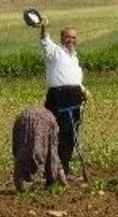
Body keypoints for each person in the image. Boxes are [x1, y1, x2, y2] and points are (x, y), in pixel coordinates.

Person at [38, 16, 89, 178]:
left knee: (72, 133)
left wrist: (83, 90)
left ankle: (64, 168)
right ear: (62, 38)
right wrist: (44, 27)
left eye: (73, 37)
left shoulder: (74, 57)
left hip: (75, 96)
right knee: (58, 131)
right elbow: (44, 40)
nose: (71, 40)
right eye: (68, 37)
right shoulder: (54, 51)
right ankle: (54, 168)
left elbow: (74, 77)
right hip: (59, 95)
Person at [12, 107, 66, 191]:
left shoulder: (48, 117)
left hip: (24, 119)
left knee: (25, 149)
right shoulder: (51, 120)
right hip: (39, 121)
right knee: (40, 151)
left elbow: (16, 146)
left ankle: (22, 179)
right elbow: (52, 154)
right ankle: (52, 180)